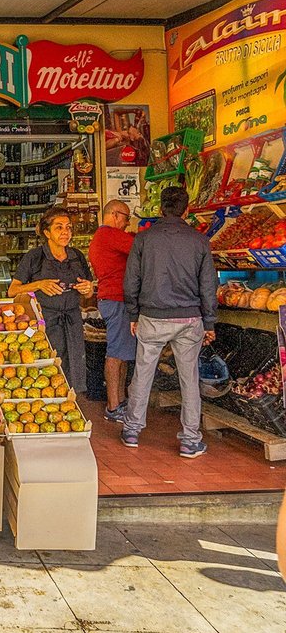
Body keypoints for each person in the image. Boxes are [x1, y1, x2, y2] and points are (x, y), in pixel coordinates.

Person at [122, 185, 217, 458]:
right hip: (189, 318)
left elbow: (132, 281)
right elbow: (208, 285)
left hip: (152, 316)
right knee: (189, 379)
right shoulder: (199, 241)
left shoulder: (144, 239)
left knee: (143, 373)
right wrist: (209, 323)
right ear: (187, 210)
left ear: (160, 209)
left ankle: (132, 430)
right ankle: (189, 440)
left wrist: (132, 313)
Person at [9, 206, 94, 393]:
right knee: (46, 368)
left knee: (73, 365)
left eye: (68, 227)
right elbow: (12, 290)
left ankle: (71, 404)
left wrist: (88, 289)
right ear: (47, 232)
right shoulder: (35, 257)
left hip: (72, 321)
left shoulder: (77, 256)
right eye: (59, 227)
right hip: (45, 322)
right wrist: (39, 284)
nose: (65, 232)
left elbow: (88, 293)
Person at [88, 200, 137, 422]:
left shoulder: (102, 237)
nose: (127, 224)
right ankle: (113, 405)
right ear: (115, 215)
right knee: (116, 353)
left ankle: (121, 400)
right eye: (126, 218)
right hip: (116, 299)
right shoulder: (109, 234)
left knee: (123, 352)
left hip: (115, 299)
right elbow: (139, 248)